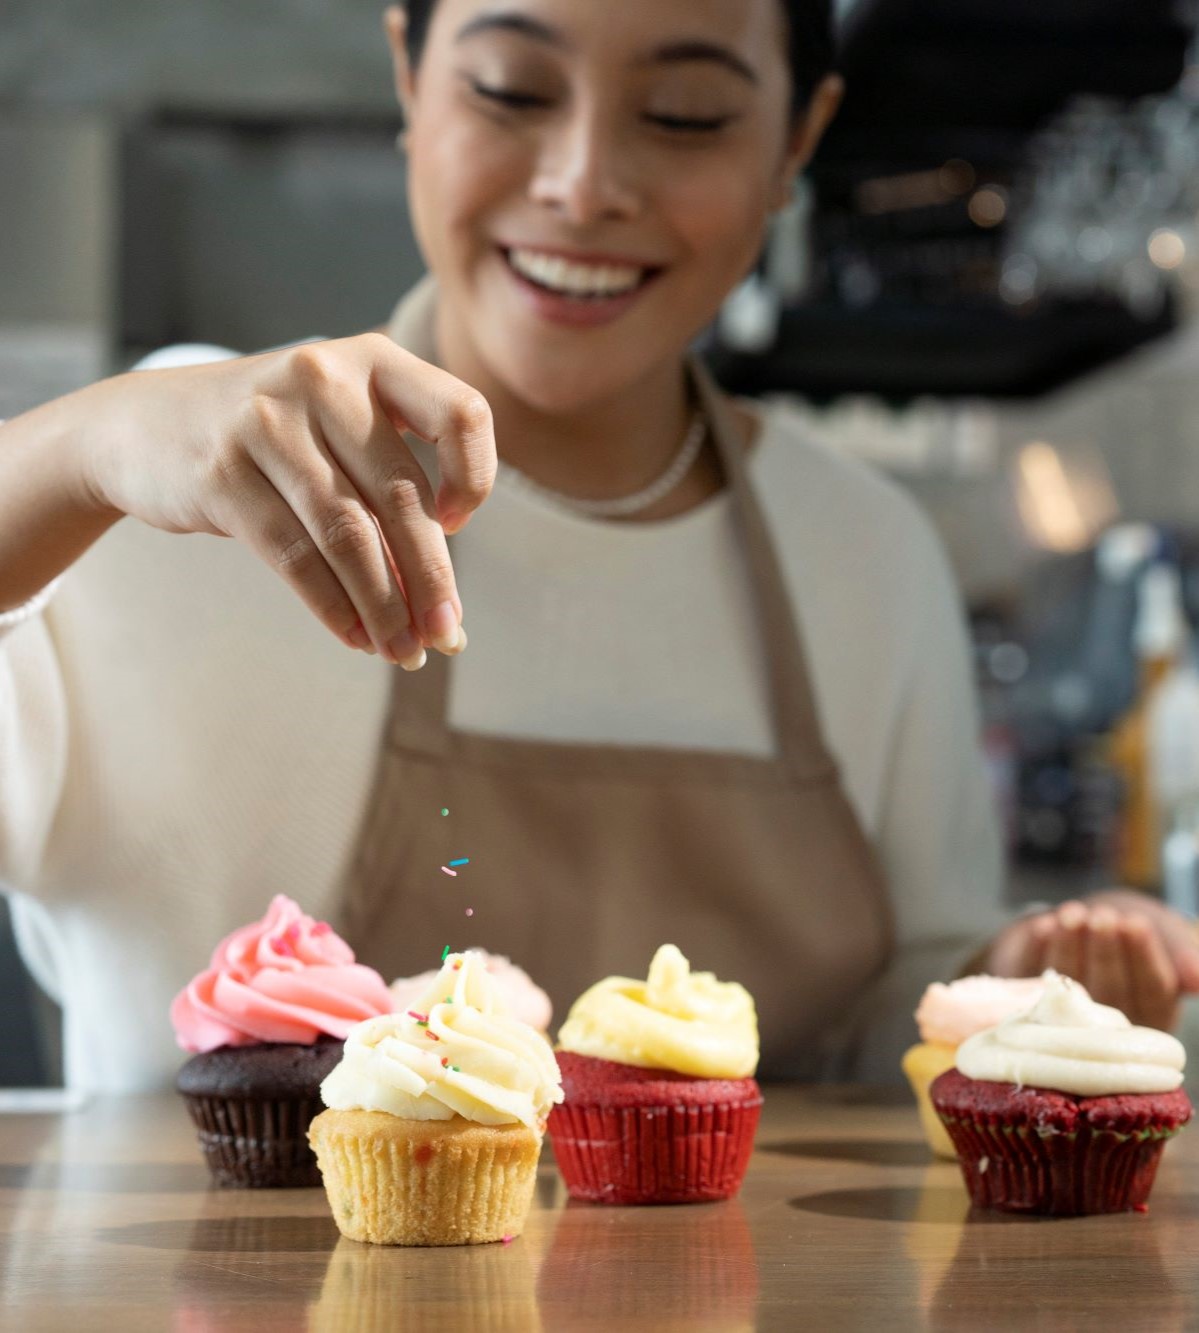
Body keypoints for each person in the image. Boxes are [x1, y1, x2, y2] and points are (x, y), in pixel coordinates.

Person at [1, 0, 1196, 1094]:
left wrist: (1018, 976)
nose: (583, 183)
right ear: (411, 78)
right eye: (513, 91)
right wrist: (64, 453)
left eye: (684, 114)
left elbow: (878, 1023)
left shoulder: (863, 553)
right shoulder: (172, 491)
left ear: (793, 142)